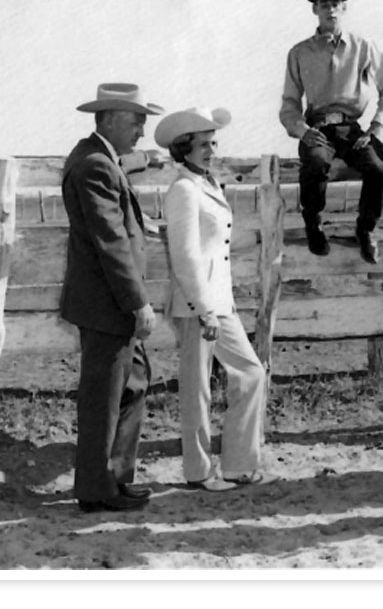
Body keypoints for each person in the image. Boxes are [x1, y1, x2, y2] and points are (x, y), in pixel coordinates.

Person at [154, 107, 276, 492]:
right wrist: (204, 309)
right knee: (198, 388)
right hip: (198, 304)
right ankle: (199, 473)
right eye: (203, 144)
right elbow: (186, 255)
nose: (211, 150)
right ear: (183, 148)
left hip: (218, 301)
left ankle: (237, 465)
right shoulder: (184, 190)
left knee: (250, 373)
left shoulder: (207, 184)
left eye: (213, 143)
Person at [59, 82, 165, 513]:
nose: (142, 128)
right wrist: (137, 302)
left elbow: (124, 182)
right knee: (104, 399)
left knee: (133, 384)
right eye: (136, 119)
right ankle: (96, 490)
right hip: (109, 305)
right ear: (107, 119)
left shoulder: (98, 157)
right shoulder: (96, 166)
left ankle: (115, 479)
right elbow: (111, 241)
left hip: (106, 303)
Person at [279, 0, 383, 263]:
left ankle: (366, 228)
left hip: (352, 129)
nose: (330, 10)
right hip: (318, 127)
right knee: (317, 162)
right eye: (324, 4)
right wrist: (302, 130)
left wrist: (377, 126)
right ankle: (313, 223)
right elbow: (289, 103)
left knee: (378, 169)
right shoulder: (299, 53)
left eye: (335, 4)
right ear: (315, 9)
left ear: (344, 8)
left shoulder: (363, 47)